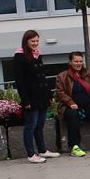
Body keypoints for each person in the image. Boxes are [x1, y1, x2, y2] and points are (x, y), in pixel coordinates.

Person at [14, 29, 59, 164]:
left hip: (42, 96)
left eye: (37, 41)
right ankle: (31, 154)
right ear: (26, 41)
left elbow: (42, 76)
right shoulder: (19, 56)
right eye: (32, 41)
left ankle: (42, 150)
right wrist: (25, 99)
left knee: (40, 124)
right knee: (30, 125)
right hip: (30, 97)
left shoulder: (38, 55)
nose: (35, 43)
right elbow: (19, 80)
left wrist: (49, 94)